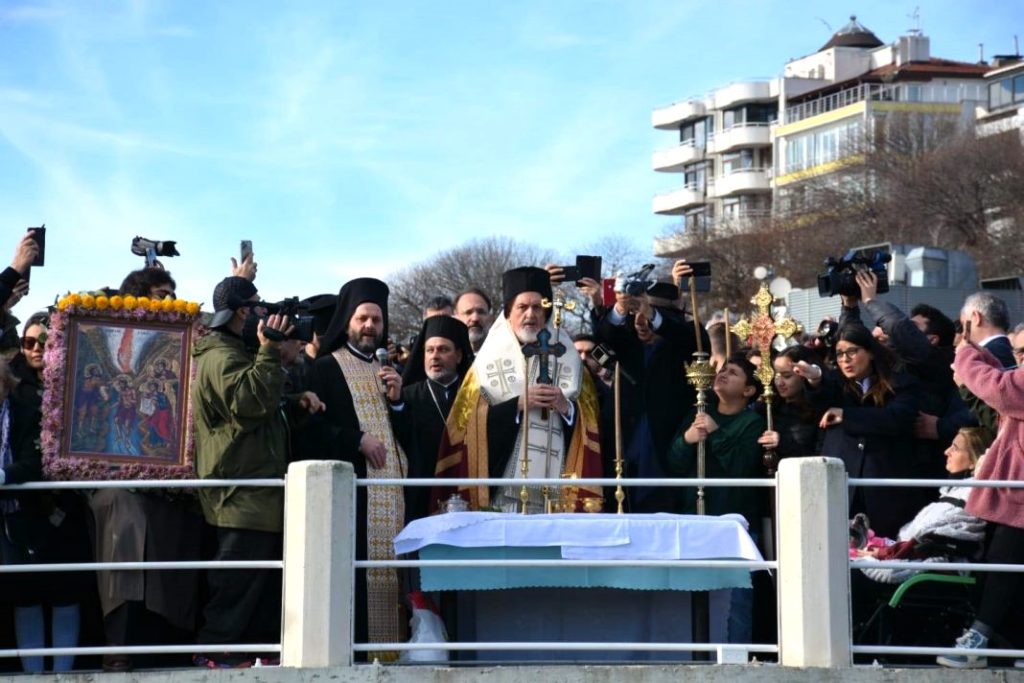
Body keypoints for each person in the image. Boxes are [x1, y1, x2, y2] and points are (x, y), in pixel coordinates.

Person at [191, 276, 322, 669]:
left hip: (255, 493)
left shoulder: (236, 351)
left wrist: (295, 403)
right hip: (238, 496)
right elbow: (247, 403)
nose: (265, 316)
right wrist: (269, 352)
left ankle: (247, 656)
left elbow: (260, 412)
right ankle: (213, 657)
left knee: (257, 587)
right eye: (258, 308)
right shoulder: (220, 356)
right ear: (243, 312)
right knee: (234, 587)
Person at [433, 266, 603, 513]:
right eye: (522, 307)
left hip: (557, 499)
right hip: (503, 497)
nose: (530, 314)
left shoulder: (570, 359)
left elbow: (590, 423)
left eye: (537, 307)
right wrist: (517, 405)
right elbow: (468, 426)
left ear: (547, 311)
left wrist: (566, 408)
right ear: (508, 313)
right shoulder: (485, 364)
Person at [308, 277, 413, 658]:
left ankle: (394, 657)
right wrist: (357, 439)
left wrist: (399, 401)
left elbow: (408, 436)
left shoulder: (392, 371)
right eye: (363, 318)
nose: (370, 326)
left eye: (377, 320)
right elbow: (312, 430)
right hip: (355, 498)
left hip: (393, 496)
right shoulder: (324, 368)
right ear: (348, 321)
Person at [1, 315, 91, 673]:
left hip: (66, 503)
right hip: (20, 510)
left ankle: (64, 675)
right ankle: (34, 676)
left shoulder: (78, 383)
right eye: (30, 343)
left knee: (65, 589)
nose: (38, 349)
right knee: (26, 593)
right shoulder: (16, 393)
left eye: (46, 342)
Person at [663, 353, 766, 644]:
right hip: (695, 517)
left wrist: (716, 434)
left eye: (733, 373)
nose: (722, 374)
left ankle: (736, 659)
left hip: (733, 519)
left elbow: (742, 467)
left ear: (748, 390)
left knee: (735, 602)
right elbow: (674, 462)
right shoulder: (699, 412)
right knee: (694, 596)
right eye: (722, 369)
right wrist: (686, 440)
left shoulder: (751, 423)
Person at [936, 334, 1024, 668]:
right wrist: (978, 354)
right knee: (998, 570)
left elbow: (1000, 388)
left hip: (1018, 496)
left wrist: (965, 357)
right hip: (1012, 494)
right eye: (1016, 350)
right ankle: (1010, 643)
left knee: (1001, 569)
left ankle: (979, 640)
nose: (1019, 357)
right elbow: (1003, 383)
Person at [594, 259, 708, 512]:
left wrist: (652, 314)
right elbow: (603, 338)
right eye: (638, 314)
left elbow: (688, 341)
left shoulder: (688, 335)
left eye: (647, 315)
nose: (641, 322)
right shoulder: (628, 342)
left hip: (666, 451)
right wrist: (621, 308)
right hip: (624, 449)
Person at [798, 323, 923, 538]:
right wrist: (814, 378)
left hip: (884, 487)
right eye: (839, 354)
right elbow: (821, 394)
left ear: (871, 352)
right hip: (841, 486)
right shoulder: (837, 383)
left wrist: (846, 415)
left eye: (852, 352)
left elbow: (896, 419)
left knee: (881, 557)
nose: (845, 359)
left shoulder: (901, 383)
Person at [400, 315, 474, 520]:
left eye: (443, 349)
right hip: (421, 492)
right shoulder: (408, 395)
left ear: (459, 355)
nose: (435, 356)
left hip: (466, 487)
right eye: (429, 350)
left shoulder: (476, 397)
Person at [756, 345, 824, 459]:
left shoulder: (820, 409)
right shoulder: (768, 407)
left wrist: (783, 442)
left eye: (787, 376)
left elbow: (819, 453)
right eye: (777, 376)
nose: (779, 383)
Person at [453, 287, 494, 353]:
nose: (475, 318)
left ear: (490, 318)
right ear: (455, 318)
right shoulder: (446, 359)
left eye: (481, 312)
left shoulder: (505, 353)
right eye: (468, 312)